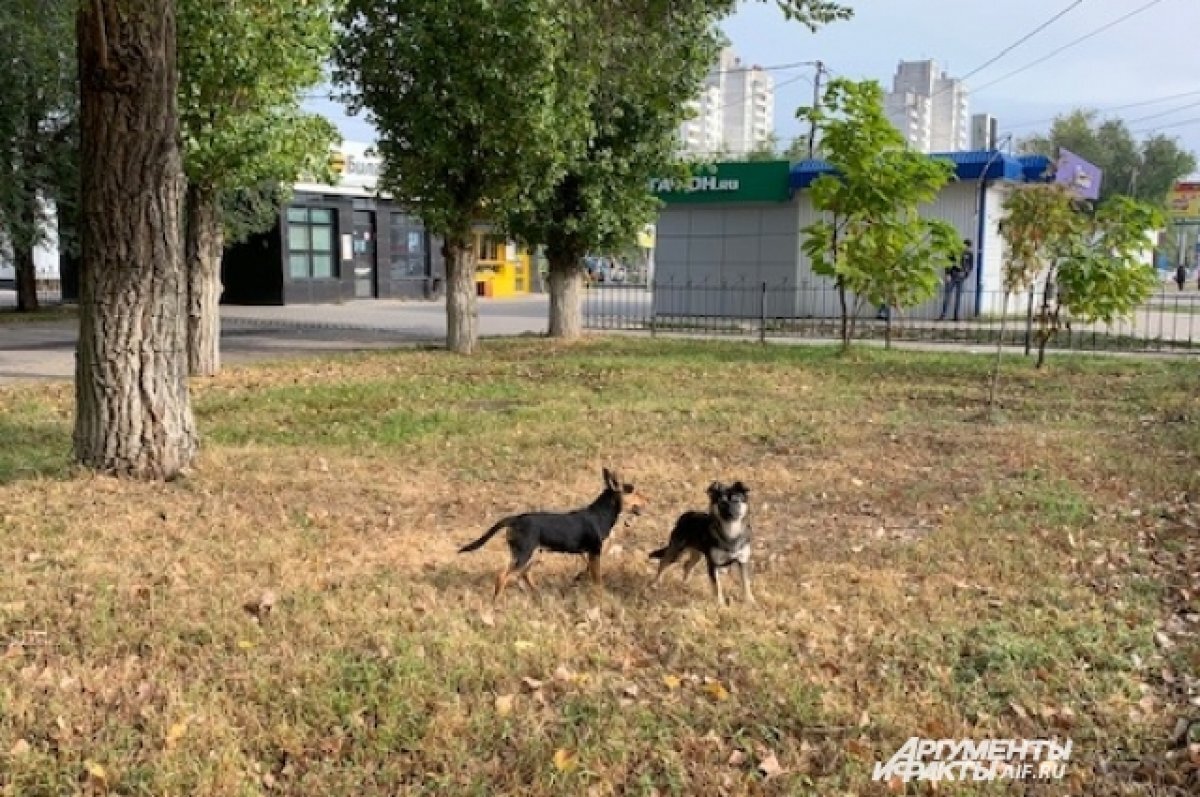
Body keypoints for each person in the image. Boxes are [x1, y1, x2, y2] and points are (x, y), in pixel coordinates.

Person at [938, 239, 974, 321]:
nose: (967, 249)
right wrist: (947, 274)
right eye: (966, 247)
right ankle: (943, 315)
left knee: (958, 297)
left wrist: (965, 275)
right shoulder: (954, 251)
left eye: (969, 248)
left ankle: (956, 316)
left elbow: (971, 266)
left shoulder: (970, 254)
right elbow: (947, 263)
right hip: (952, 276)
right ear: (963, 245)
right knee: (947, 296)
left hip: (961, 278)